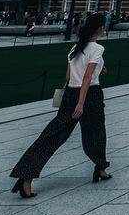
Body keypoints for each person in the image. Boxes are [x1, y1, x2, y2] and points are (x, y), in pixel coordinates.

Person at [9, 13, 112, 198]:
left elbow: (69, 77)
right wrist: (81, 103)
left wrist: (98, 70)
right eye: (104, 25)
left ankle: (26, 176)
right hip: (89, 96)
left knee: (53, 136)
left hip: (71, 94)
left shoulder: (75, 48)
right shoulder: (97, 48)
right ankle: (101, 167)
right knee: (96, 134)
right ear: (100, 28)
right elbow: (87, 77)